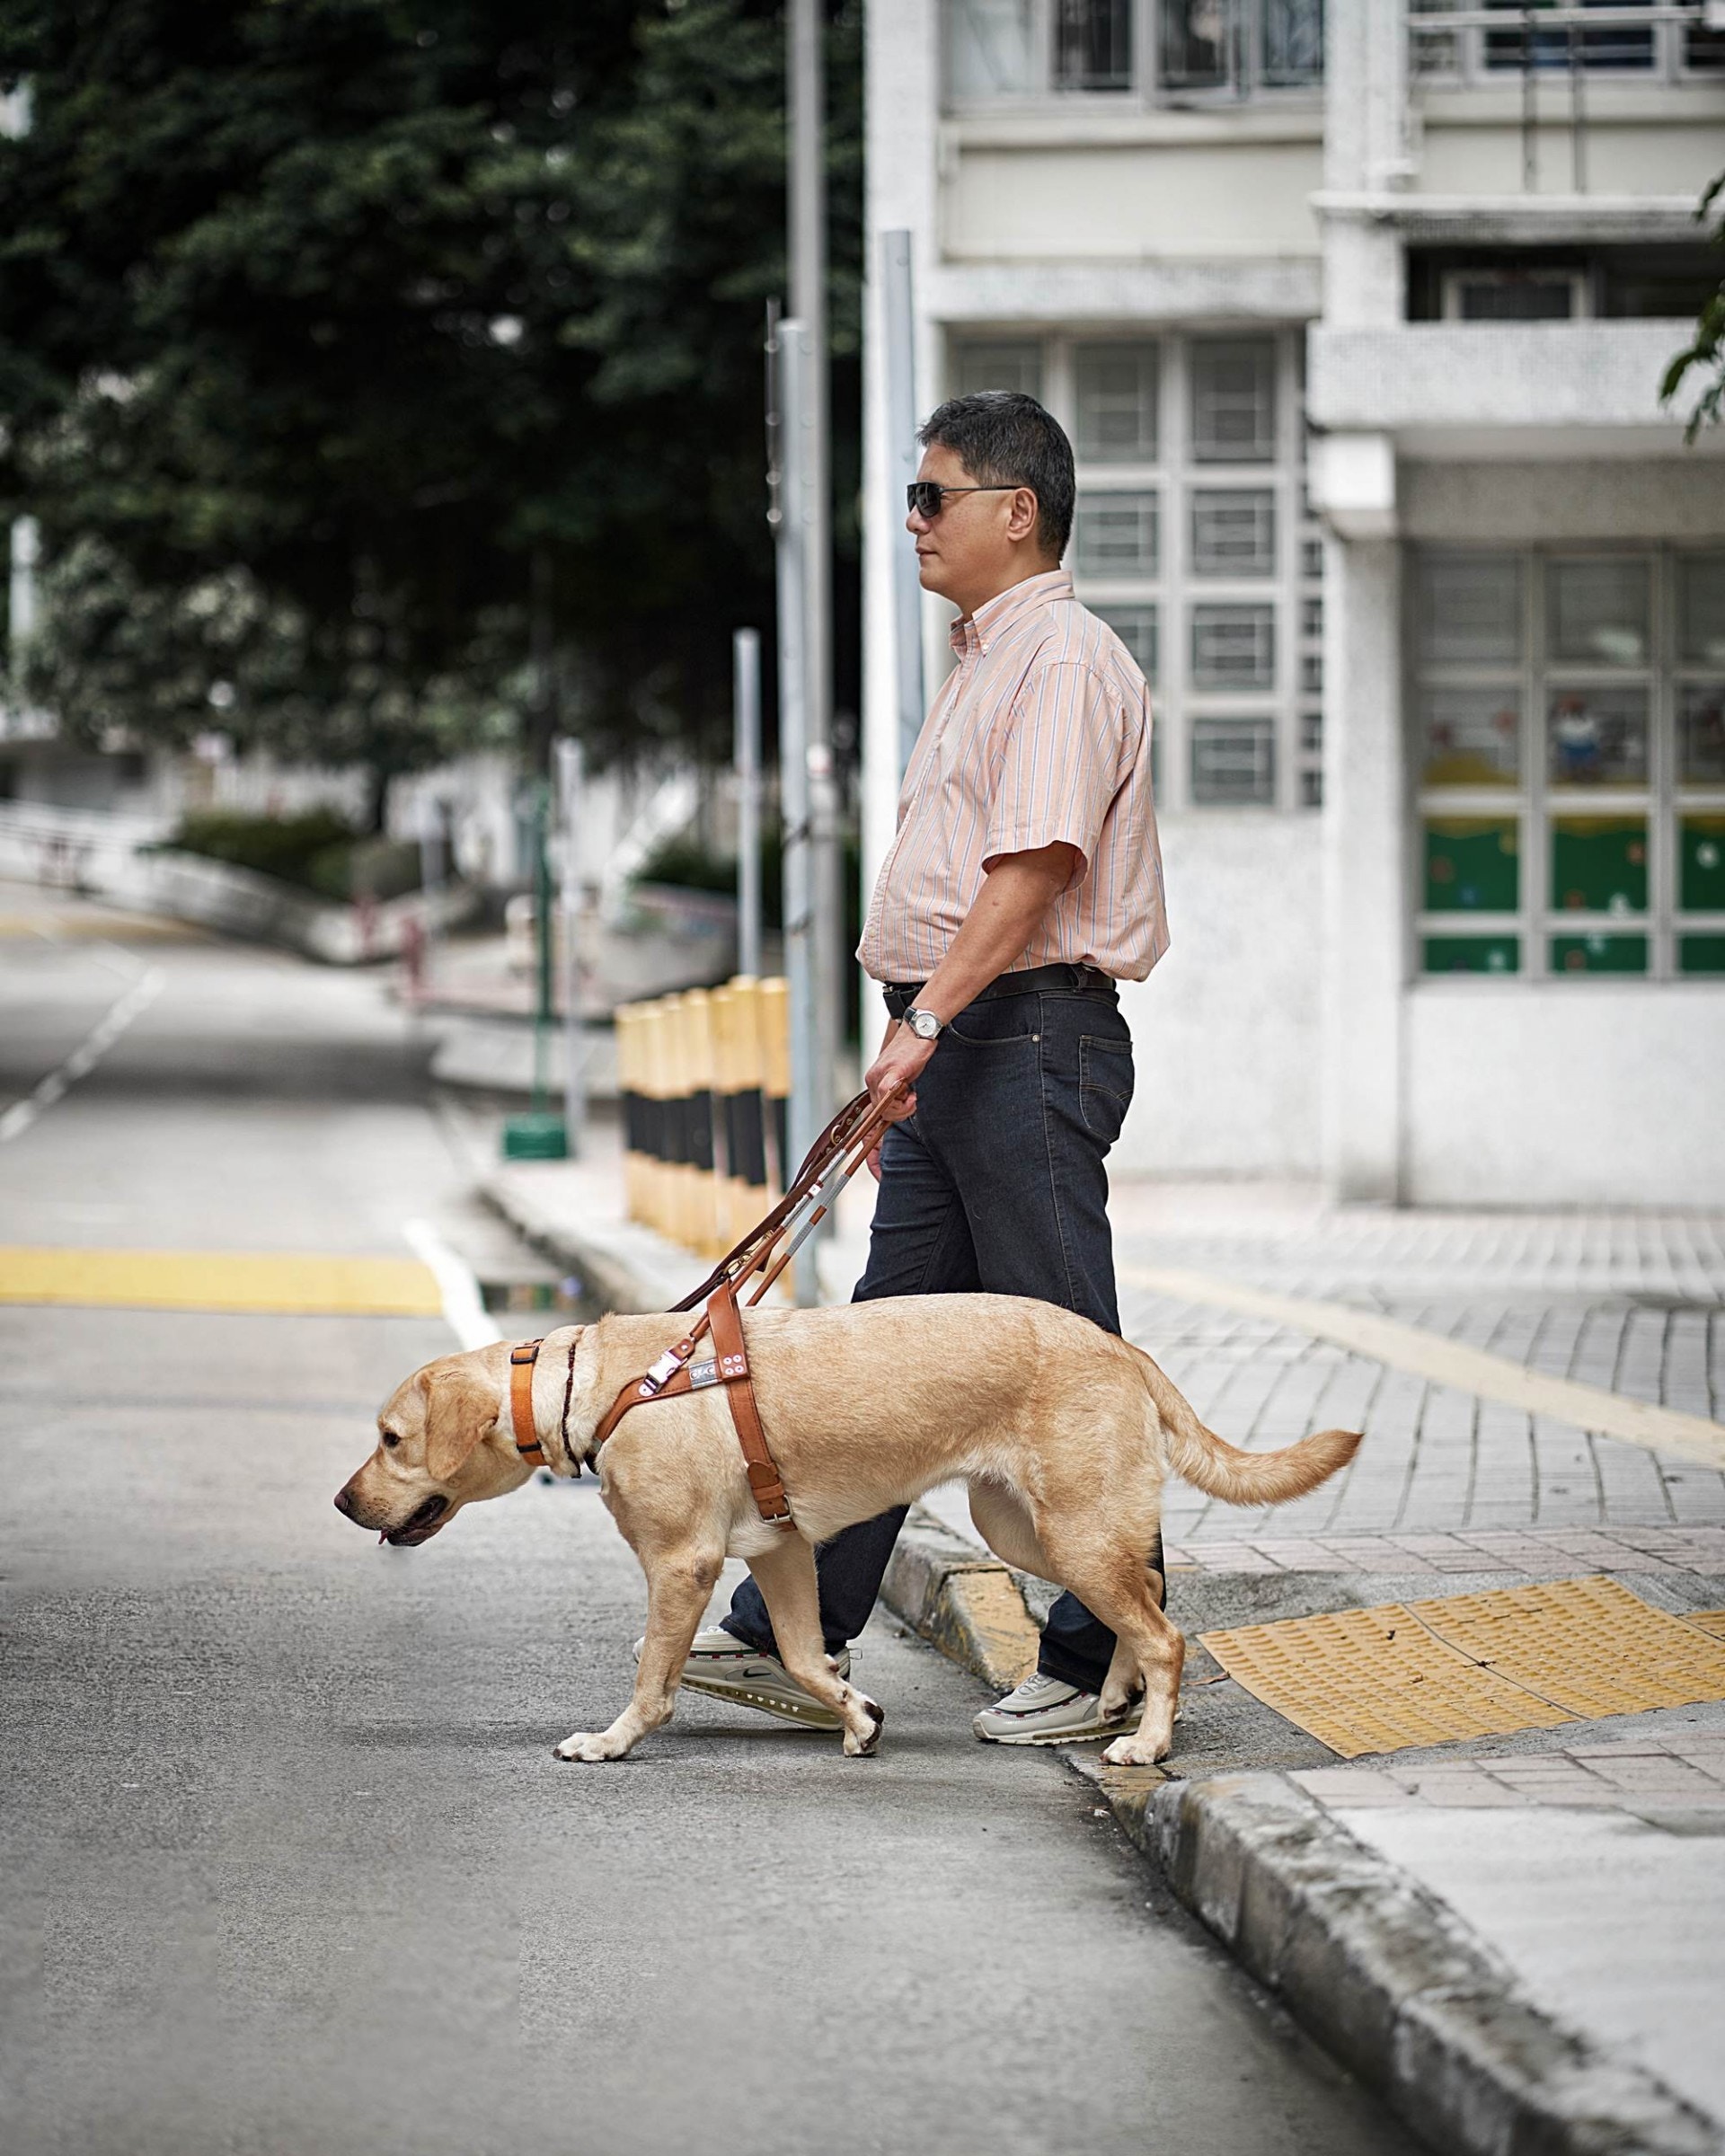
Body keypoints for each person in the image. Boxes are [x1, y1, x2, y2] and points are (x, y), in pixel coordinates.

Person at [671, 389, 1169, 1744]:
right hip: (964, 1047)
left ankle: (1106, 1650)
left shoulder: (1057, 660)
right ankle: (794, 1635)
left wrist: (929, 1025)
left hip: (1020, 1036)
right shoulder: (988, 657)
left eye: (932, 496)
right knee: (883, 1365)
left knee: (1068, 1355)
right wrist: (918, 1053)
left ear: (1019, 512)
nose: (911, 520)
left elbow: (1030, 876)